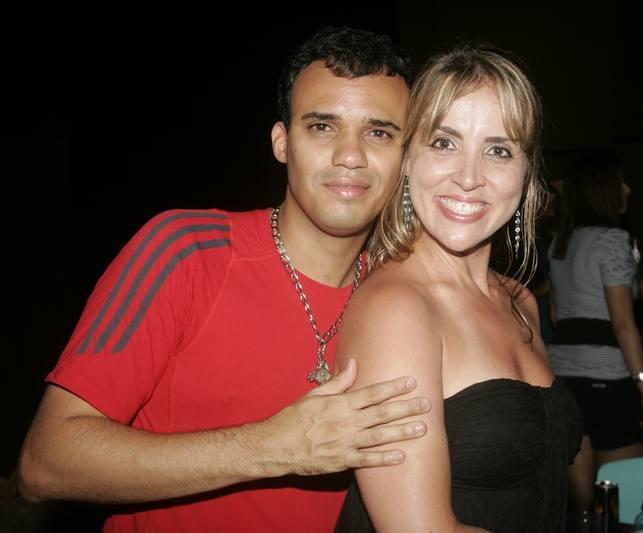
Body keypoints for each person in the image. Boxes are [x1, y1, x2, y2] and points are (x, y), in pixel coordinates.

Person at [16, 27, 433, 532]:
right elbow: (45, 463)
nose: (351, 155)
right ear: (282, 143)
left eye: (379, 133)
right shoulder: (186, 251)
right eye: (322, 126)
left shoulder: (398, 298)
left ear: (406, 158)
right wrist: (275, 446)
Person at [333, 44, 583, 532]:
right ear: (408, 160)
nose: (469, 178)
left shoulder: (520, 301)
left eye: (498, 150)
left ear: (527, 174)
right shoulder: (396, 309)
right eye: (444, 143)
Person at [547, 152, 643, 512]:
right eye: (621, 182)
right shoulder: (613, 239)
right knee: (620, 503)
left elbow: (557, 314)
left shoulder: (560, 243)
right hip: (610, 382)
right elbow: (623, 324)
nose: (628, 189)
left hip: (565, 380)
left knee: (582, 510)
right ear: (603, 189)